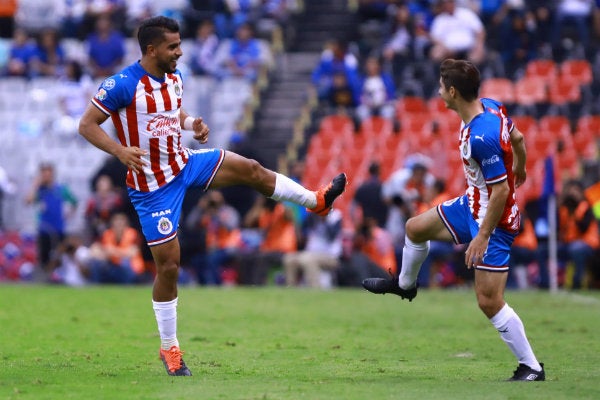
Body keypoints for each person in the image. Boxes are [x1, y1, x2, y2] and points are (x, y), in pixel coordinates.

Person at [77, 16, 347, 376]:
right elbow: (87, 124)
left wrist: (192, 125)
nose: (180, 51)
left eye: (179, 44)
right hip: (152, 188)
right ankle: (169, 348)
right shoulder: (122, 84)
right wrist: (120, 152)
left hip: (184, 163)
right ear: (152, 49)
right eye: (172, 46)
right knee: (169, 266)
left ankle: (317, 201)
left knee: (251, 168)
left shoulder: (175, 76)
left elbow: (172, 113)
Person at [362, 59, 545, 381]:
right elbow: (518, 139)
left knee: (489, 301)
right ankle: (405, 286)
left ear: (453, 92)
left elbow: (501, 191)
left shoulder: (481, 137)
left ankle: (531, 367)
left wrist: (483, 235)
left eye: (441, 87)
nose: (438, 92)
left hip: (494, 221)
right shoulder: (491, 107)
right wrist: (522, 166)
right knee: (414, 228)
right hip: (471, 205)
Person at [25, 162, 78, 274]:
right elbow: (28, 201)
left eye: (48, 173)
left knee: (60, 256)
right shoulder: (40, 191)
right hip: (44, 229)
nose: (46, 176)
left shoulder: (61, 189)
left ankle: (59, 277)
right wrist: (35, 185)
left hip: (59, 228)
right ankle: (45, 278)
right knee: (44, 256)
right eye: (43, 173)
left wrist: (68, 215)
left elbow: (74, 202)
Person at [88, 212, 145, 284]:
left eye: (121, 224)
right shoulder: (108, 234)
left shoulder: (132, 234)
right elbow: (99, 249)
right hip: (113, 266)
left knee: (125, 262)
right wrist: (110, 252)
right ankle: (95, 287)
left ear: (126, 225)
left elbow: (132, 252)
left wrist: (113, 252)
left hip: (131, 269)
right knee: (96, 262)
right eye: (116, 224)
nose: (119, 226)